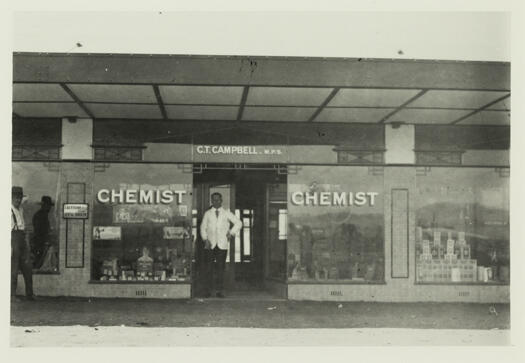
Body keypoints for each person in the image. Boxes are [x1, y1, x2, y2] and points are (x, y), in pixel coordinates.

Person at [200, 192, 242, 298]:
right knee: (208, 268)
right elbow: (202, 227)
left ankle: (219, 291)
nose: (216, 202)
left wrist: (231, 233)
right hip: (210, 244)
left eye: (218, 200)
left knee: (220, 268)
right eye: (213, 200)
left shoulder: (226, 213)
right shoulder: (208, 213)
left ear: (221, 200)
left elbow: (239, 223)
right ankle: (207, 291)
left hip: (222, 245)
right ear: (211, 201)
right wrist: (205, 239)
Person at [11, 186, 34, 301]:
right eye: (15, 197)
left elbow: (27, 199)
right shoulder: (8, 209)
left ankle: (29, 294)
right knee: (13, 267)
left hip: (22, 237)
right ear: (10, 197)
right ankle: (12, 295)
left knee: (27, 266)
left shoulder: (20, 208)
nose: (18, 200)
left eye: (19, 197)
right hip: (12, 238)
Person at [31, 196, 54, 269]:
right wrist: (45, 242)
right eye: (48, 205)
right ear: (43, 205)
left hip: (41, 243)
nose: (49, 208)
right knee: (38, 263)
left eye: (49, 206)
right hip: (39, 244)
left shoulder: (43, 215)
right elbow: (39, 231)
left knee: (40, 262)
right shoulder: (40, 215)